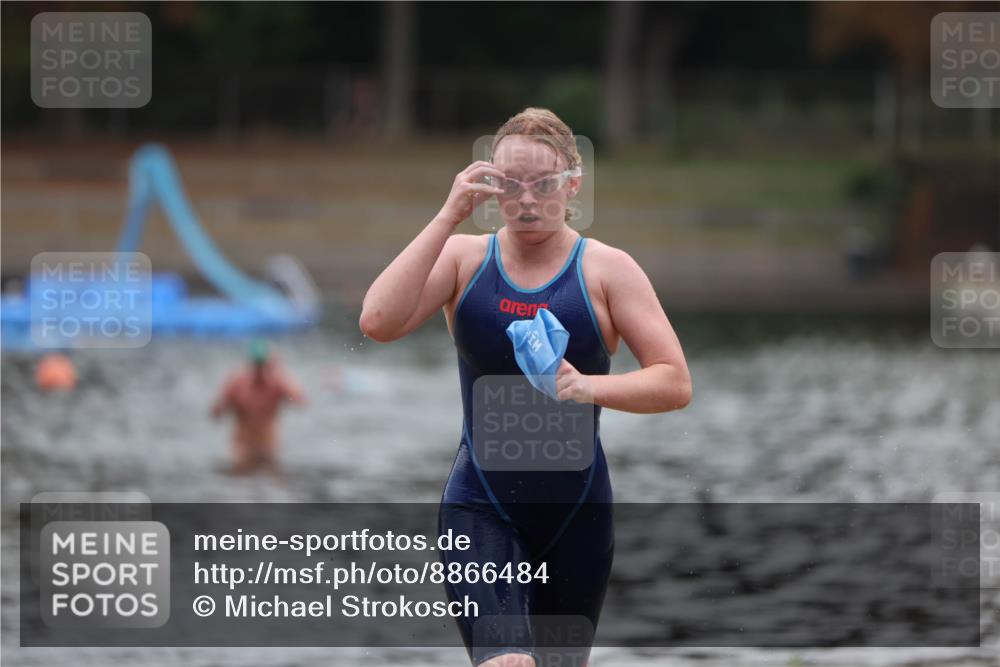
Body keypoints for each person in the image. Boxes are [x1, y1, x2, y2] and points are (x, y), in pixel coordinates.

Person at [360, 108, 692, 667]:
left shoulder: (606, 270)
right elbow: (377, 322)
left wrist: (585, 387)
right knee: (507, 663)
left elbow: (674, 381)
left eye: (544, 184)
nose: (528, 200)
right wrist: (447, 216)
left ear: (573, 184)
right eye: (510, 185)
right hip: (480, 506)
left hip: (577, 514)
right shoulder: (464, 259)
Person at [210, 339, 306, 475]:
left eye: (263, 364)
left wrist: (282, 378)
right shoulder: (237, 383)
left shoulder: (278, 383)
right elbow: (216, 413)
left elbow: (301, 402)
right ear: (250, 364)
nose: (260, 369)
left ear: (270, 364)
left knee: (271, 480)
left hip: (269, 447)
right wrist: (225, 400)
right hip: (242, 448)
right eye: (257, 364)